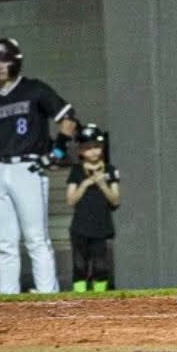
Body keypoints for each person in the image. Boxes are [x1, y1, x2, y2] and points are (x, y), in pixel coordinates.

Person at [0, 37, 79, 294]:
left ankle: (47, 296)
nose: (1, 66)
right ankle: (8, 299)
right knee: (4, 243)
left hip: (28, 168)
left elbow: (68, 119)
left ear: (17, 62)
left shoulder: (34, 89)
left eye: (6, 60)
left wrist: (57, 150)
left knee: (36, 238)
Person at [66, 124, 120, 292]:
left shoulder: (110, 170)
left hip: (101, 225)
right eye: (88, 148)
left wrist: (103, 184)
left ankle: (100, 295)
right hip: (80, 226)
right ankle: (79, 294)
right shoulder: (76, 171)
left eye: (96, 147)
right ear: (81, 151)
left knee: (100, 264)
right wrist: (85, 184)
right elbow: (70, 200)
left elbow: (115, 200)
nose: (93, 152)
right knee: (79, 264)